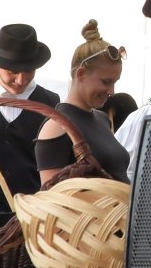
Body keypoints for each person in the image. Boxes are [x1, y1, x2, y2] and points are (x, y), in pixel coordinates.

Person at [34, 22, 132, 185]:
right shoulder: (57, 126)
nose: (111, 91)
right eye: (106, 82)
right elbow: (52, 202)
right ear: (81, 74)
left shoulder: (102, 119)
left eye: (115, 82)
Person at [0, 24, 58, 226]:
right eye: (13, 72)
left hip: (34, 220)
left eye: (28, 71)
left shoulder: (50, 102)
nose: (21, 80)